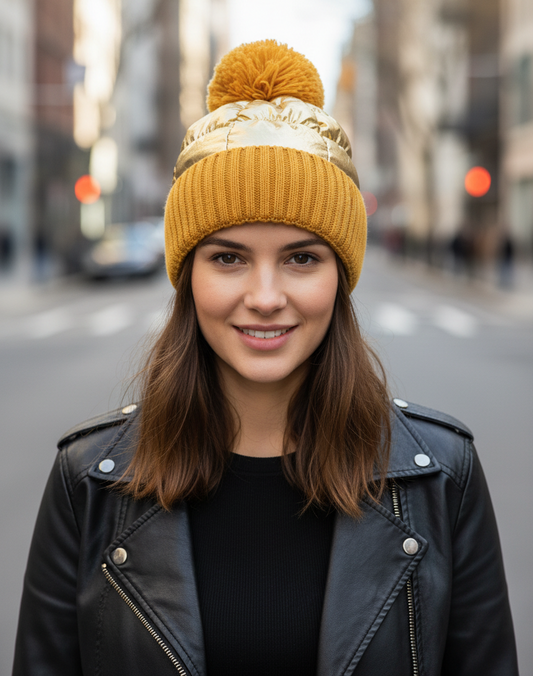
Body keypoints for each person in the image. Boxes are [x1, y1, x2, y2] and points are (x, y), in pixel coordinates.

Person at [13, 41, 518, 676]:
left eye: (302, 258)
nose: (265, 297)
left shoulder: (442, 477)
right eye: (228, 258)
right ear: (186, 276)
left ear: (341, 276)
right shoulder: (89, 481)